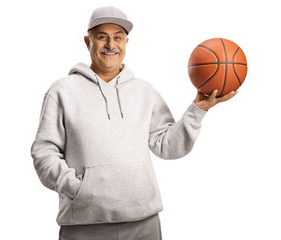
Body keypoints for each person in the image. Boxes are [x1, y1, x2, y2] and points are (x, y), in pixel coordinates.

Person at [30, 6, 237, 240]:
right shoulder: (62, 91)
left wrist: (198, 109)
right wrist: (76, 188)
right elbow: (44, 151)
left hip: (144, 224)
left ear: (126, 42)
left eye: (118, 37)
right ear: (88, 42)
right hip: (85, 225)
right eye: (102, 37)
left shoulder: (144, 91)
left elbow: (167, 146)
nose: (111, 44)